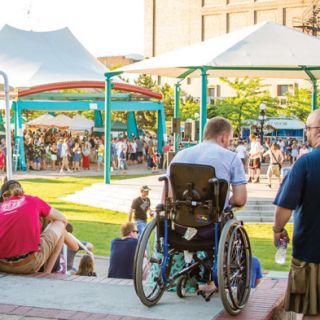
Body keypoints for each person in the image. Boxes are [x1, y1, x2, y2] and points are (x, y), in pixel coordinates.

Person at [167, 116, 247, 292]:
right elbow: (240, 199)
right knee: (227, 218)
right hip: (211, 226)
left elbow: (168, 197)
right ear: (224, 137)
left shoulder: (179, 156)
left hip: (179, 226)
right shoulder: (232, 158)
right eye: (231, 139)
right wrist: (226, 202)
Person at [273, 109, 320, 317]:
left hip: (312, 254)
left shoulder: (306, 163)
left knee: (313, 312)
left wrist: (277, 229)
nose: (306, 133)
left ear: (318, 131)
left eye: (308, 128)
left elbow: (285, 207)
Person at [0, 180, 67, 274]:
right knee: (60, 225)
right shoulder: (32, 200)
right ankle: (47, 274)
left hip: (2, 265)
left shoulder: (2, 207)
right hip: (28, 265)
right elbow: (63, 219)